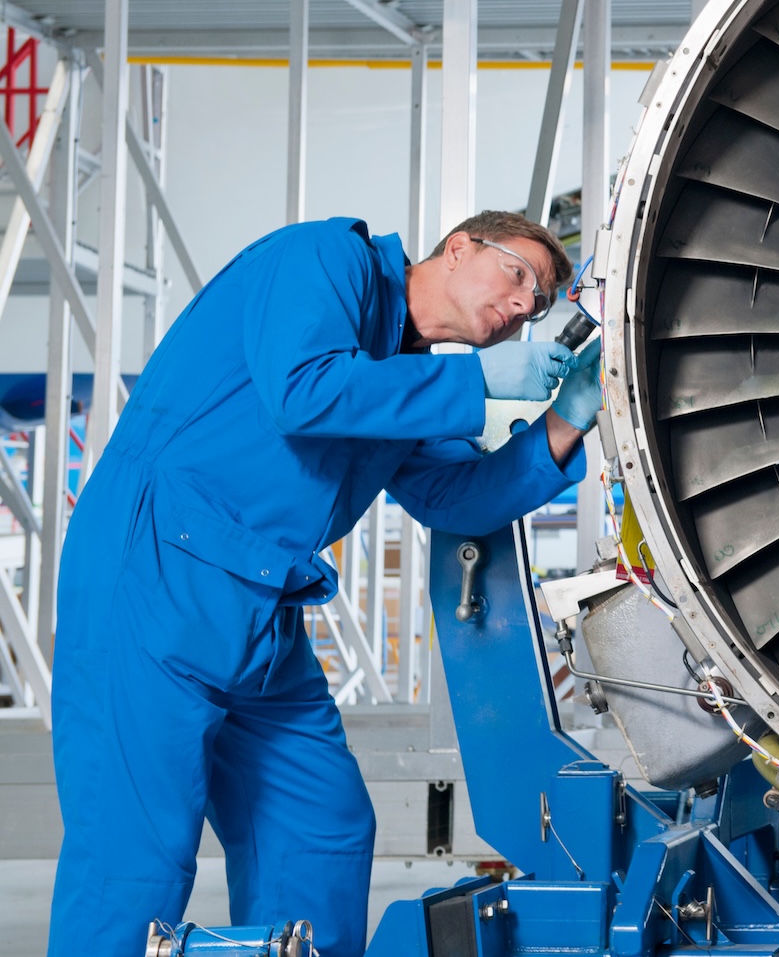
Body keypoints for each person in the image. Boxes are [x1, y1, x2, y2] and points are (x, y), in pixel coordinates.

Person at [49, 211, 607, 957]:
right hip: (151, 576)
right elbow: (301, 390)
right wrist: (473, 381)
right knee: (137, 854)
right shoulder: (326, 261)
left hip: (259, 609)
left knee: (320, 821)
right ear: (460, 246)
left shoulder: (407, 373)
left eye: (538, 307)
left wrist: (565, 426)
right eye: (518, 276)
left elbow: (450, 498)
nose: (521, 309)